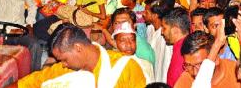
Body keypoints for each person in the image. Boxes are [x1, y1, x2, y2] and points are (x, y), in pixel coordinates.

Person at [13, 23, 146, 88]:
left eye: (64, 59)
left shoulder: (125, 67)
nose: (62, 64)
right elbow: (30, 82)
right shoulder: (66, 68)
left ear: (78, 48)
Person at [174, 31, 240, 88]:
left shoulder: (237, 73)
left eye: (200, 64)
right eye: (188, 65)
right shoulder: (185, 79)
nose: (194, 72)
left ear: (216, 58)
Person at [143, 0, 173, 82]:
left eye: (146, 12)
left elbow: (166, 64)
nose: (143, 14)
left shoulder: (165, 36)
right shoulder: (150, 28)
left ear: (155, 15)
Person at [161, 7, 190, 87]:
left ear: (175, 30)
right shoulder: (186, 46)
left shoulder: (182, 54)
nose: (162, 32)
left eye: (164, 28)